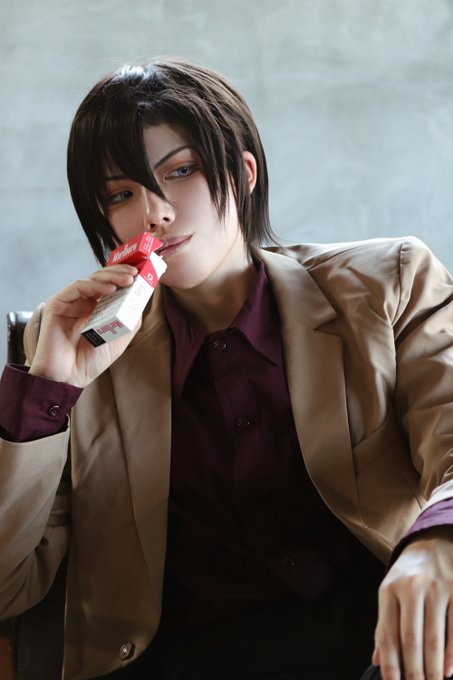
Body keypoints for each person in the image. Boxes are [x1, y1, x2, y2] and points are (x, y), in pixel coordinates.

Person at [1, 58, 453, 680]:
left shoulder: (388, 285)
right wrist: (50, 390)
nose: (154, 212)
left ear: (242, 173)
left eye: (179, 171)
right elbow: (9, 589)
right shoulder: (75, 356)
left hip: (379, 647)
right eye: (121, 194)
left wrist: (437, 542)